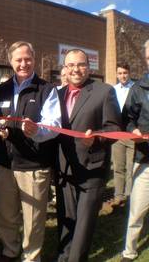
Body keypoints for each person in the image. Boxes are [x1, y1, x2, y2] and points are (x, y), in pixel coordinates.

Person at [0, 41, 61, 262]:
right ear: (11, 62)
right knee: (6, 214)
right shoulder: (1, 89)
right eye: (19, 59)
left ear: (34, 60)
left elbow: (54, 124)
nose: (24, 63)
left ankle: (31, 256)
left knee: (33, 218)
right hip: (4, 163)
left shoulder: (46, 89)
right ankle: (10, 250)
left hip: (34, 165)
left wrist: (36, 130)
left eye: (28, 59)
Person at [56, 49, 121, 262]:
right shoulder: (57, 94)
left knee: (83, 224)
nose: (76, 69)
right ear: (64, 68)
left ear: (89, 66)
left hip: (92, 167)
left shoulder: (104, 91)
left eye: (81, 64)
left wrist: (97, 137)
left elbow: (114, 129)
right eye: (70, 65)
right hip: (65, 168)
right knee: (66, 219)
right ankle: (63, 257)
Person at [121, 39, 149, 262]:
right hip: (145, 159)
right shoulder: (138, 88)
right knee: (137, 210)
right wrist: (134, 129)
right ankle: (129, 252)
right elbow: (126, 119)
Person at [110, 64, 134, 208]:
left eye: (125, 73)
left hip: (132, 133)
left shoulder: (136, 88)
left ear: (129, 73)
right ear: (117, 74)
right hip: (118, 133)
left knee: (131, 168)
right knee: (119, 167)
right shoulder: (113, 90)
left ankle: (130, 196)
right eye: (120, 73)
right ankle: (118, 196)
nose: (123, 76)